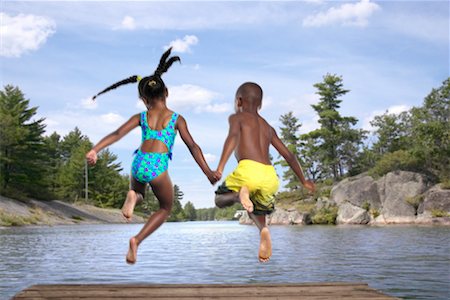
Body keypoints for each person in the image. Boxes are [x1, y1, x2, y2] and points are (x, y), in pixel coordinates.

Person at [86, 48, 219, 264]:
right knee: (166, 208)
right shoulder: (176, 118)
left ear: (142, 98)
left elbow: (118, 133)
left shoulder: (142, 117)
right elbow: (193, 146)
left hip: (139, 162)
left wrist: (95, 149)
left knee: (138, 191)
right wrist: (208, 172)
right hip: (157, 165)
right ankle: (137, 240)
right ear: (167, 92)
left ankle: (133, 196)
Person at [214, 82, 315, 263]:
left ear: (239, 101)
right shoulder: (268, 127)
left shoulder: (238, 118)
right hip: (269, 175)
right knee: (255, 207)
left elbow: (232, 138)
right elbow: (289, 156)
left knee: (220, 199)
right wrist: (304, 181)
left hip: (248, 169)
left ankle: (239, 195)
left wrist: (220, 167)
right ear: (260, 104)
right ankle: (263, 229)